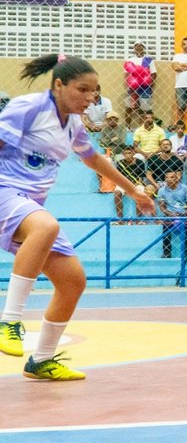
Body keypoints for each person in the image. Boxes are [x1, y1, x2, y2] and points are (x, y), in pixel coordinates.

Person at [0, 54, 154, 380]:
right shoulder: (27, 108)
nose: (90, 98)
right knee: (46, 225)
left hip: (27, 203)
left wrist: (133, 190)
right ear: (59, 85)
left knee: (73, 282)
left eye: (95, 91)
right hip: (5, 193)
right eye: (83, 90)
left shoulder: (73, 124)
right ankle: (8, 321)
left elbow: (94, 159)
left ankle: (41, 360)